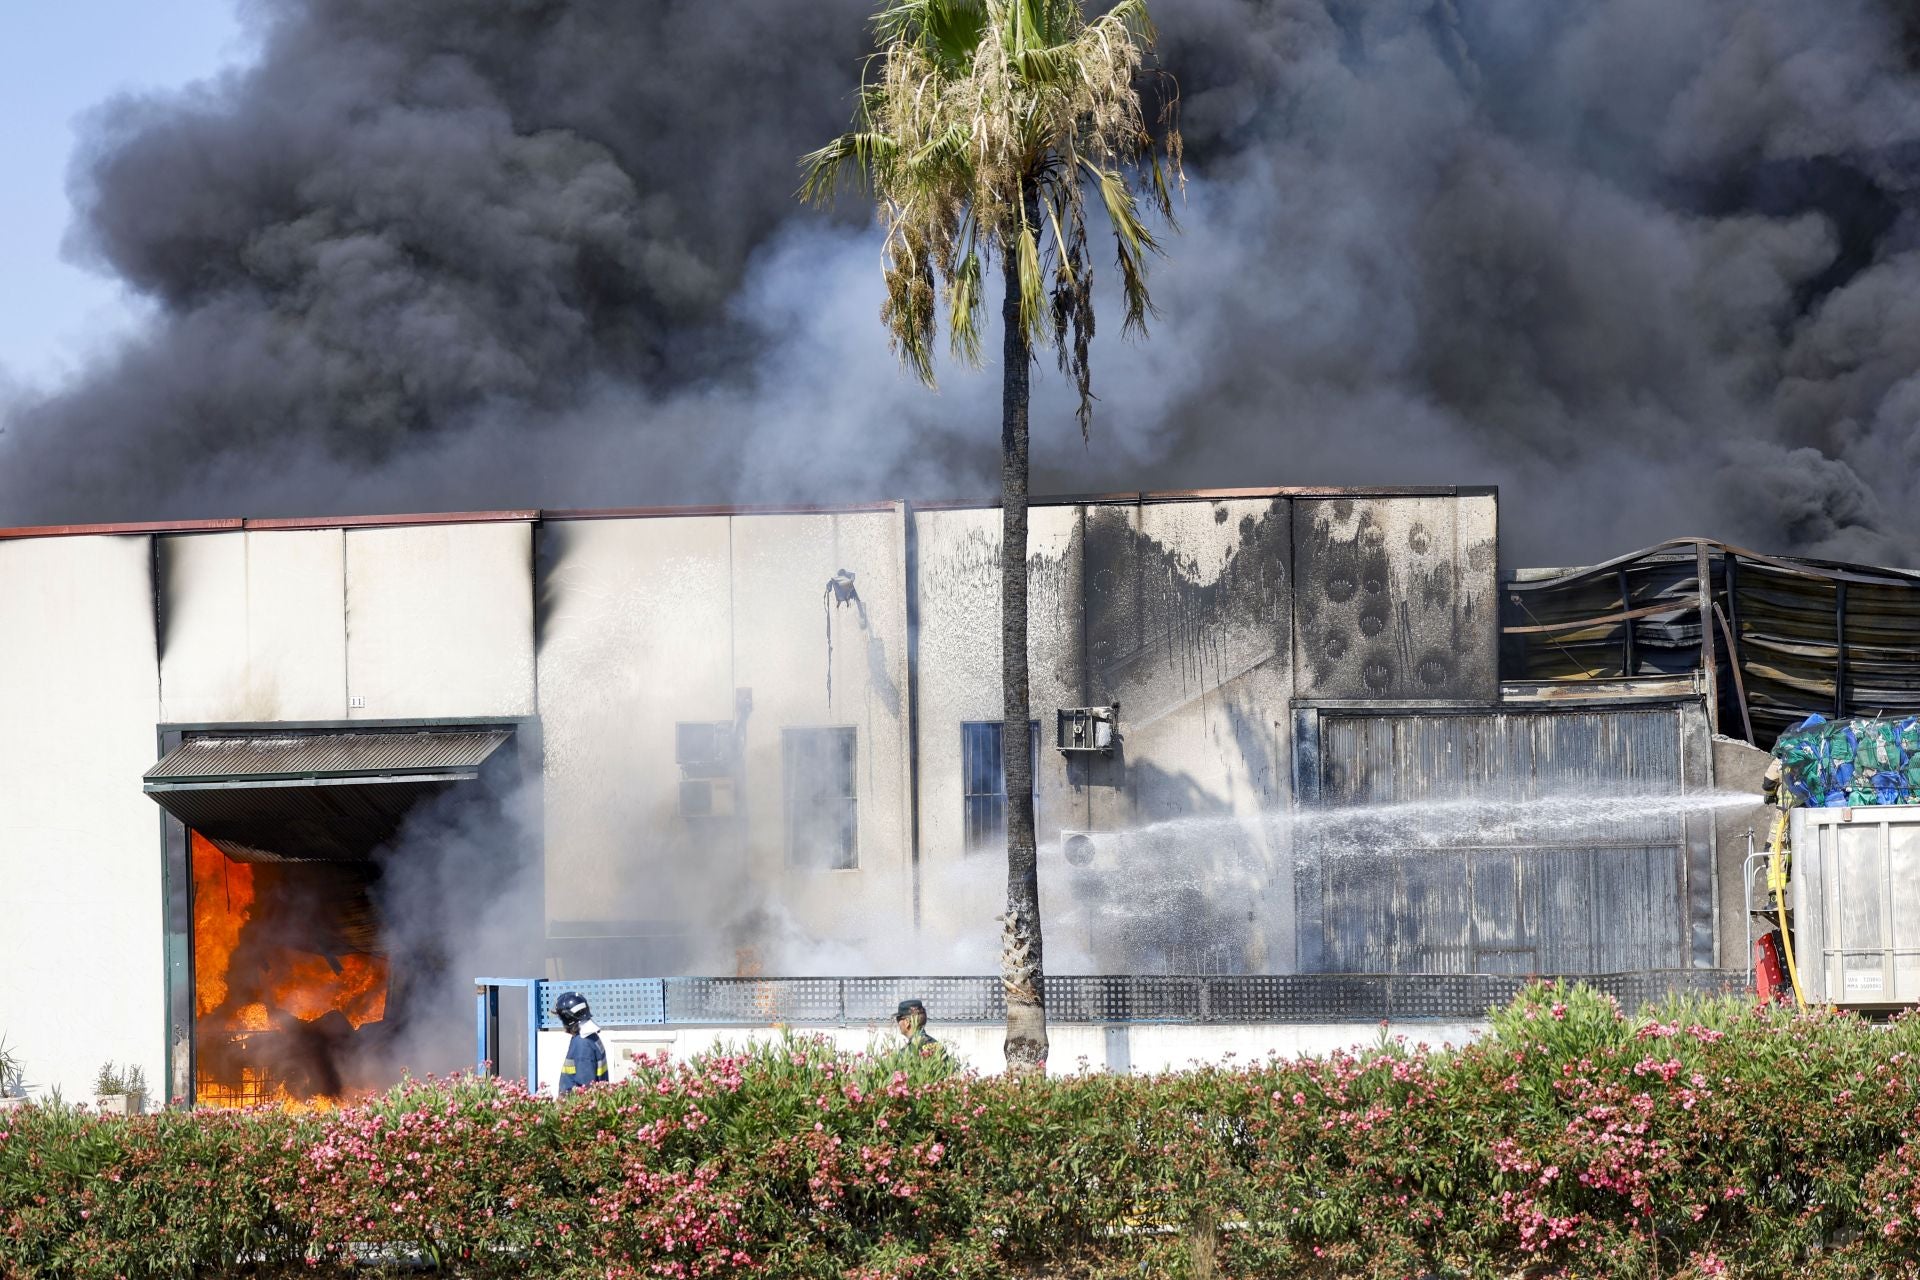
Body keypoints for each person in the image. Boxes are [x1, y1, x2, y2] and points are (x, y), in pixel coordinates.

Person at [553, 990, 607, 1097]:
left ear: (568, 1019)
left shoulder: (583, 1043)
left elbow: (585, 1087)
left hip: (576, 1107)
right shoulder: (591, 1037)